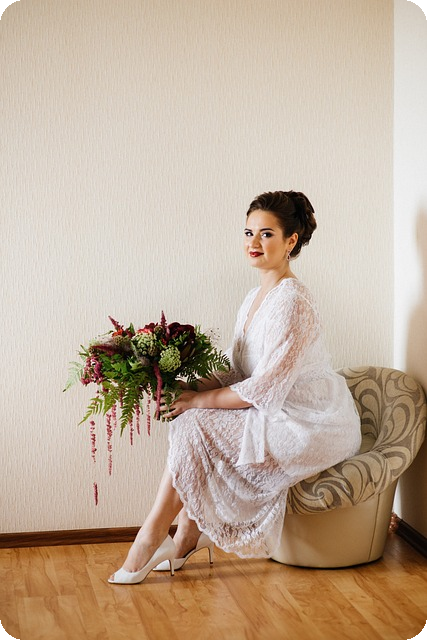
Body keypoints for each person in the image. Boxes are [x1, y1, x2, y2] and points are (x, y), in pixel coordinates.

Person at [108, 190, 361, 584]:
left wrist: (198, 401)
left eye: (266, 234)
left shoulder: (293, 301)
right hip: (276, 408)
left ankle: (152, 537)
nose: (253, 243)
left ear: (291, 241)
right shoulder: (253, 297)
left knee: (195, 421)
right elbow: (237, 366)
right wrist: (184, 385)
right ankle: (186, 536)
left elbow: (265, 387)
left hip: (310, 421)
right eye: (248, 233)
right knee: (189, 420)